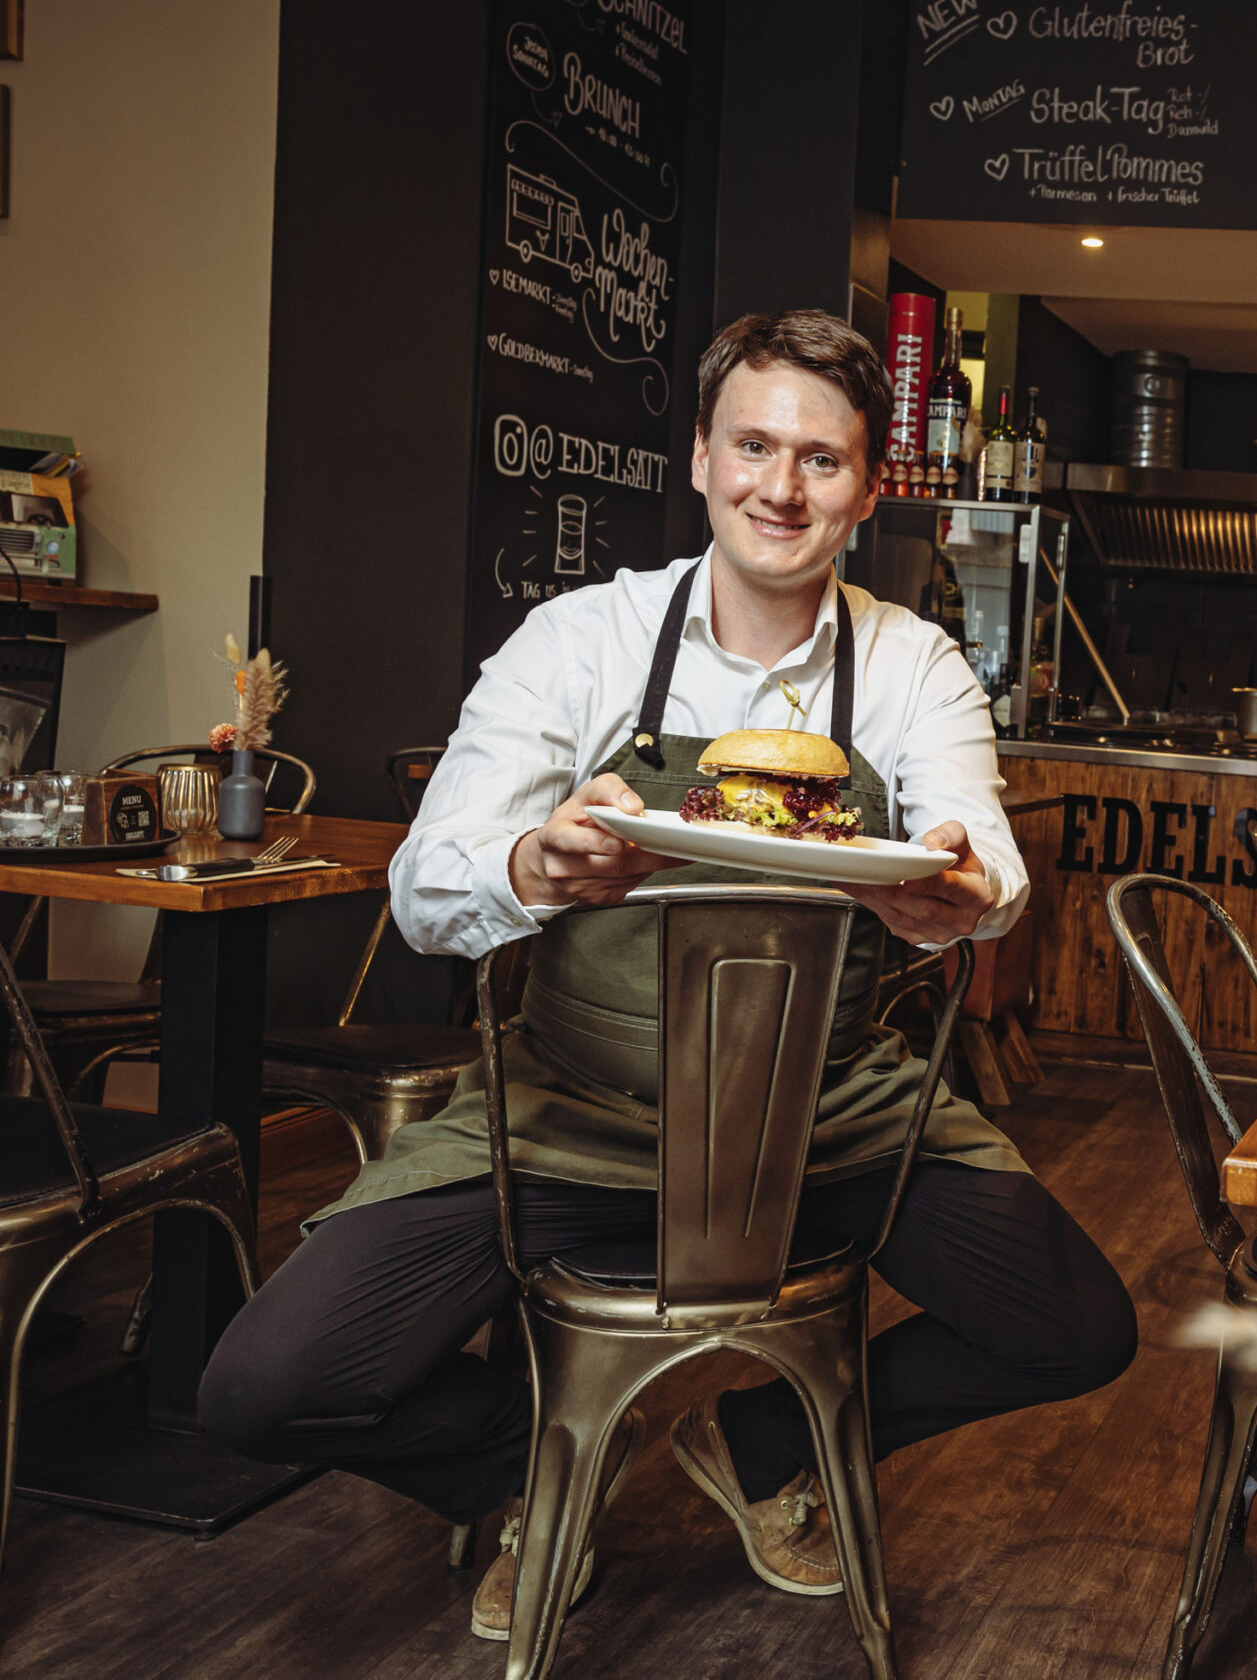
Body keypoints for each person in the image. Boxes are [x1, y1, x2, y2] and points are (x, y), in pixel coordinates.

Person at [201, 310, 1136, 1639]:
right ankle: (544, 1462)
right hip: (574, 1109)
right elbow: (423, 888)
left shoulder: (913, 663)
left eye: (821, 459)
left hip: (834, 1113)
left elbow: (983, 855)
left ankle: (767, 1447)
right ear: (700, 457)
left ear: (867, 488)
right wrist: (533, 865)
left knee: (1080, 1327)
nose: (781, 485)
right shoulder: (578, 640)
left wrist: (957, 894)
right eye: (754, 445)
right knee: (260, 1390)